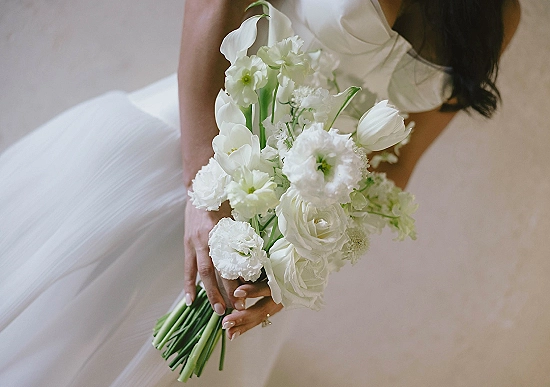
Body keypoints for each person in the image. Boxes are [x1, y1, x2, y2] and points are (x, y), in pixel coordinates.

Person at [0, 0, 520, 385]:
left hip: (269, 253)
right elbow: (209, 7)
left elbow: (396, 163)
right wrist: (205, 198)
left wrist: (298, 267)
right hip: (179, 152)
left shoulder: (502, 15)